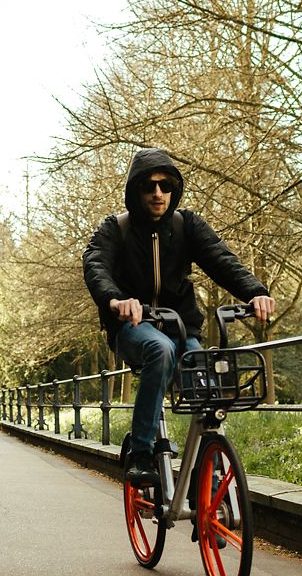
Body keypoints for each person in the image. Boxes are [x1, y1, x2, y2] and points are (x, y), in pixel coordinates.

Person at [82, 148, 275, 492]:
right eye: (149, 186)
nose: (158, 193)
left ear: (174, 189)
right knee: (160, 350)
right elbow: (96, 265)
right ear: (136, 191)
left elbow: (220, 259)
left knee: (204, 386)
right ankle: (141, 453)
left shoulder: (186, 225)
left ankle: (210, 478)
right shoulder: (116, 228)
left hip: (182, 326)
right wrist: (116, 300)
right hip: (133, 327)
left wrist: (255, 292)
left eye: (165, 185)